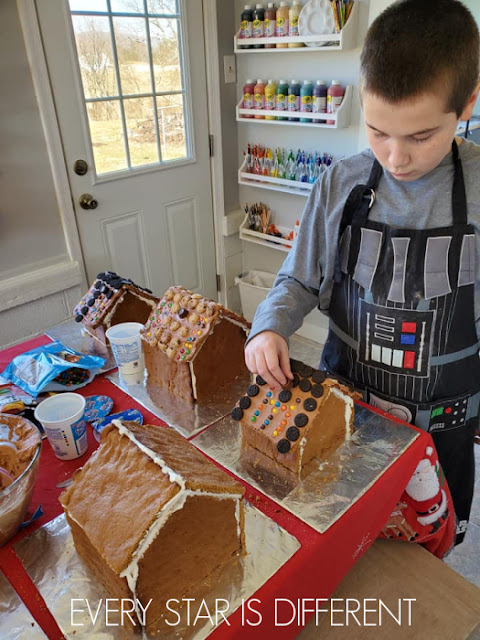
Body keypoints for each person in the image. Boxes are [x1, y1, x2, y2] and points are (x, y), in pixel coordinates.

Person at [245, 0, 480, 545]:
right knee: (346, 535)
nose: (397, 157)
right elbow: (296, 280)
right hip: (342, 413)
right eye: (378, 131)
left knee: (424, 554)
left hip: (441, 430)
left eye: (420, 136)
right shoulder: (340, 185)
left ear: (467, 103)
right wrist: (269, 327)